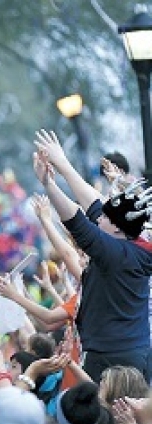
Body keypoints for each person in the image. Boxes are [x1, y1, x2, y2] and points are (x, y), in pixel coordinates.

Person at [34, 130, 152, 382]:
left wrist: (49, 184)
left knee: (113, 419)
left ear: (118, 228)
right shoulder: (136, 243)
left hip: (114, 358)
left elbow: (78, 223)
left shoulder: (117, 254)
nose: (100, 218)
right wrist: (61, 169)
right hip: (128, 350)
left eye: (106, 219)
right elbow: (95, 206)